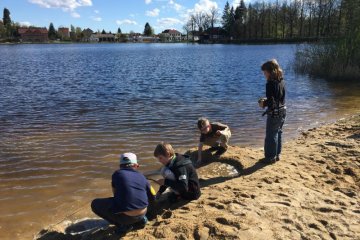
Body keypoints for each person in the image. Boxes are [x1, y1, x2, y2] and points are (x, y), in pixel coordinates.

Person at [91, 153, 156, 233]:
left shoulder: (116, 174)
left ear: (120, 166)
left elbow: (115, 195)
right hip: (143, 212)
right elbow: (153, 196)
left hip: (127, 217)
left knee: (94, 204)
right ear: (136, 165)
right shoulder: (142, 176)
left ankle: (122, 225)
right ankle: (141, 219)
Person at [260, 59, 286, 164]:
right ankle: (277, 155)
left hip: (274, 113)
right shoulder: (282, 81)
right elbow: (279, 98)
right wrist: (267, 101)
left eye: (265, 72)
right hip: (283, 110)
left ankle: (270, 158)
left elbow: (271, 102)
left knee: (271, 135)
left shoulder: (270, 83)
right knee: (278, 132)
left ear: (270, 72)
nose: (264, 74)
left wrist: (263, 103)